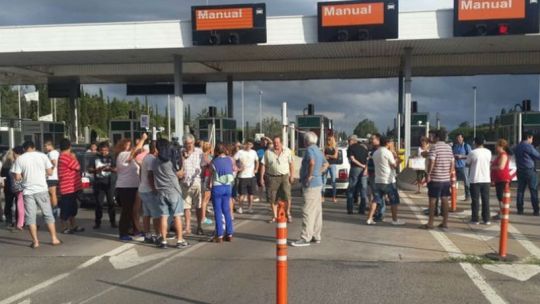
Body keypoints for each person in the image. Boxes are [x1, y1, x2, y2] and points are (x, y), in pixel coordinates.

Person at [11, 141, 61, 248]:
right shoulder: (42, 156)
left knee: (30, 217)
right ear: (34, 147)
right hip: (42, 189)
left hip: (28, 191)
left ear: (24, 149)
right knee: (48, 214)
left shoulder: (20, 159)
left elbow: (17, 177)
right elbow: (50, 172)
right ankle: (54, 238)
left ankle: (36, 241)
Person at [291, 132, 328, 247]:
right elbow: (326, 164)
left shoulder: (309, 150)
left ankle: (305, 237)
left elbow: (311, 162)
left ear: (306, 141)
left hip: (311, 185)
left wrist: (310, 175)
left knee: (307, 210)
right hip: (318, 184)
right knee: (317, 211)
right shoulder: (318, 150)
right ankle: (316, 235)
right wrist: (318, 173)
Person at [153, 138, 189, 249]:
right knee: (177, 216)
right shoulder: (169, 162)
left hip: (161, 191)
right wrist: (182, 159)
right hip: (173, 191)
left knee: (163, 216)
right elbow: (181, 174)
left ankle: (163, 240)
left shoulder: (155, 161)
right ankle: (179, 240)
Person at [366, 137, 405, 226]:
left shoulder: (375, 153)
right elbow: (393, 165)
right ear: (387, 143)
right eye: (391, 142)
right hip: (388, 180)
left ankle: (369, 218)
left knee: (375, 200)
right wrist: (399, 160)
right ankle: (395, 220)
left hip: (377, 180)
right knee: (393, 200)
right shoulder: (388, 153)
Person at [422, 130, 454, 230]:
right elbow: (452, 162)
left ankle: (430, 223)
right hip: (446, 179)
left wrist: (428, 174)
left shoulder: (434, 147)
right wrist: (449, 173)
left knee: (432, 201)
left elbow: (432, 161)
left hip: (435, 178)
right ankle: (445, 223)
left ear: (437, 137)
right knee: (445, 200)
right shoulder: (449, 148)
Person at [115, 135, 145, 241]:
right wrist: (142, 139)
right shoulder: (122, 155)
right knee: (126, 210)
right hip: (125, 187)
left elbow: (137, 152)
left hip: (133, 186)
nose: (129, 147)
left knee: (134, 210)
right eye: (127, 145)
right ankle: (123, 233)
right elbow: (135, 151)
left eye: (129, 145)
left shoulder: (132, 157)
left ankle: (135, 229)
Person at [260, 136, 294, 223]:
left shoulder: (287, 151)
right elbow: (263, 165)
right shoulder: (268, 152)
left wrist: (292, 175)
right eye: (274, 142)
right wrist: (261, 178)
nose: (276, 144)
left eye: (278, 142)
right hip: (272, 177)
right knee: (273, 197)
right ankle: (274, 216)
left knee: (287, 195)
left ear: (281, 143)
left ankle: (288, 213)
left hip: (284, 176)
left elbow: (291, 164)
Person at [208, 143, 235, 243]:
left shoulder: (214, 162)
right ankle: (229, 233)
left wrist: (208, 184)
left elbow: (210, 174)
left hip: (217, 186)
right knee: (227, 210)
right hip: (228, 187)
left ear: (216, 151)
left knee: (218, 211)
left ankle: (219, 235)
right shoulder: (230, 159)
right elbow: (233, 169)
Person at [57, 139, 84, 233]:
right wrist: (74, 157)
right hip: (67, 187)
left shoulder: (64, 156)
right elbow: (77, 166)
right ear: (69, 147)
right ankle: (64, 227)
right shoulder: (65, 157)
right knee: (66, 208)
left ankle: (73, 225)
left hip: (72, 187)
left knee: (72, 208)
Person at [180, 134, 205, 236]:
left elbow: (204, 164)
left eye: (190, 143)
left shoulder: (199, 151)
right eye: (186, 143)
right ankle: (187, 227)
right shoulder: (181, 151)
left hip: (196, 181)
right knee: (186, 206)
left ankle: (199, 226)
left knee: (198, 205)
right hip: (184, 182)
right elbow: (179, 165)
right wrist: (182, 156)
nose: (188, 145)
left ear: (194, 142)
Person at [90, 141, 117, 229]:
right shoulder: (95, 157)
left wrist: (111, 169)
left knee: (111, 203)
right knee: (99, 204)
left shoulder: (112, 157)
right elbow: (89, 169)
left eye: (105, 150)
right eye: (102, 150)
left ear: (108, 150)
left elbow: (117, 168)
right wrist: (96, 170)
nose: (103, 152)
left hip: (110, 183)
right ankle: (97, 222)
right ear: (99, 150)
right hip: (99, 183)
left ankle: (113, 222)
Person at [466, 137, 492, 225]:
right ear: (483, 142)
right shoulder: (488, 152)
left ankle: (475, 219)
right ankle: (486, 219)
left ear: (475, 143)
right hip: (486, 179)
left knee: (475, 200)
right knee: (486, 200)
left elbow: (467, 164)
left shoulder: (472, 152)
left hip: (475, 179)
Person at [513, 132, 540, 215]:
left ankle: (520, 209)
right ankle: (536, 210)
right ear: (528, 137)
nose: (532, 140)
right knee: (533, 190)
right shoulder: (528, 146)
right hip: (529, 170)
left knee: (520, 190)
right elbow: (538, 156)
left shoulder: (517, 146)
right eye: (531, 138)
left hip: (520, 170)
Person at [138, 142, 160, 243]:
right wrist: (154, 188)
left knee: (146, 213)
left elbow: (141, 174)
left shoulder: (146, 158)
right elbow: (150, 175)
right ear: (155, 149)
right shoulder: (151, 159)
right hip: (149, 190)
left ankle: (147, 234)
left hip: (142, 189)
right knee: (156, 214)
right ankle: (158, 235)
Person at [234, 140, 259, 214]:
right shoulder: (240, 152)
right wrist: (238, 168)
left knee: (251, 194)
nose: (248, 146)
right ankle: (240, 208)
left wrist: (256, 169)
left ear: (252, 145)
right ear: (245, 144)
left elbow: (257, 161)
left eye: (250, 144)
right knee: (242, 194)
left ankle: (250, 207)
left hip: (251, 176)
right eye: (247, 144)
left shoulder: (254, 152)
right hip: (242, 176)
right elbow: (233, 159)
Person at [1, 148, 24, 229]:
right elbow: (3, 177)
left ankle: (13, 221)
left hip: (12, 187)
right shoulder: (6, 165)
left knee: (12, 204)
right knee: (15, 204)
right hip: (13, 187)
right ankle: (15, 221)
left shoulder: (17, 163)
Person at [346, 135, 369, 215]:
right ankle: (362, 210)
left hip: (355, 169)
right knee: (363, 189)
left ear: (352, 140)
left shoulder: (350, 148)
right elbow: (367, 160)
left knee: (351, 189)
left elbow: (352, 159)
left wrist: (361, 165)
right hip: (364, 170)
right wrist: (365, 168)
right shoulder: (364, 148)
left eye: (349, 141)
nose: (348, 143)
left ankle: (350, 209)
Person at [491, 139, 511, 220]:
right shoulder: (499, 155)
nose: (495, 147)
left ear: (501, 146)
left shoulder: (503, 155)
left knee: (501, 197)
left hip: (503, 178)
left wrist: (491, 167)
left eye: (497, 146)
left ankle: (503, 212)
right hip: (498, 179)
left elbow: (501, 167)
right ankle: (501, 211)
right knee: (499, 196)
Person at [453, 133, 472, 201]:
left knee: (466, 181)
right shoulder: (455, 146)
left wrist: (461, 156)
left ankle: (468, 196)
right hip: (455, 166)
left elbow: (470, 156)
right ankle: (453, 196)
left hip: (464, 166)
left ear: (462, 138)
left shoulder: (466, 146)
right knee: (453, 181)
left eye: (459, 137)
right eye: (457, 138)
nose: (458, 139)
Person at [44, 141, 60, 217]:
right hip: (54, 176)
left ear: (50, 145)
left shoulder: (51, 153)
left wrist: (49, 172)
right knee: (52, 194)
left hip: (51, 177)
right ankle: (53, 209)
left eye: (46, 146)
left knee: (52, 193)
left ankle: (55, 210)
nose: (45, 148)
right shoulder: (56, 152)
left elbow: (54, 163)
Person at [323, 135, 339, 203]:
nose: (328, 141)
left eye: (329, 139)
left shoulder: (335, 148)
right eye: (327, 139)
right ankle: (322, 196)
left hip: (332, 165)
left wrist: (328, 156)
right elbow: (323, 156)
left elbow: (335, 156)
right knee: (323, 180)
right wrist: (326, 157)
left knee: (333, 181)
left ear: (332, 140)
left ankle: (334, 197)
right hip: (326, 165)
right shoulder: (325, 148)